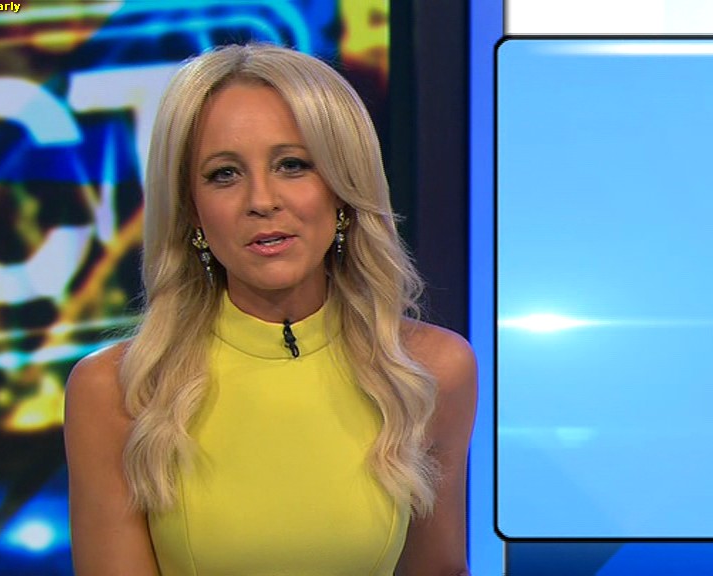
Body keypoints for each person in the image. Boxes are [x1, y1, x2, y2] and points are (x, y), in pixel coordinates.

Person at [63, 43, 477, 575]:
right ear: (191, 210)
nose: (261, 200)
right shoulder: (117, 390)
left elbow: (438, 569)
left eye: (292, 165)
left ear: (342, 190)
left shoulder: (430, 372)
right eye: (224, 174)